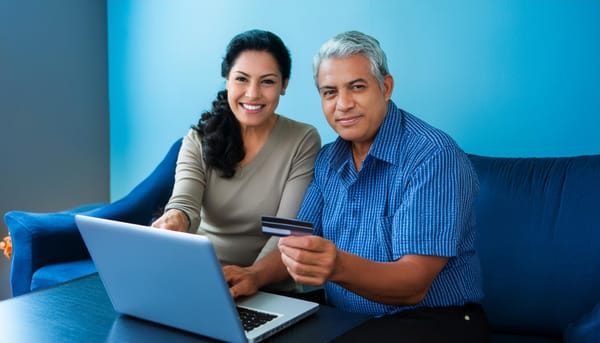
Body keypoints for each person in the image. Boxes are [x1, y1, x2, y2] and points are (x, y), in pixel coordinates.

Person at [227, 31, 490, 341]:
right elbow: (300, 237)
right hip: (349, 318)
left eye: (357, 87)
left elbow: (414, 284)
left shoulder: (432, 156)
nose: (343, 104)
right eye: (329, 92)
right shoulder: (328, 159)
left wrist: (337, 266)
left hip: (436, 318)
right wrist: (253, 275)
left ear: (386, 87)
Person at [152, 30, 321, 281]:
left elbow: (285, 231)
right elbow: (185, 205)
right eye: (242, 79)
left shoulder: (302, 140)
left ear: (284, 85)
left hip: (267, 281)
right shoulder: (198, 139)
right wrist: (175, 219)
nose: (253, 94)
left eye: (267, 81)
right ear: (227, 80)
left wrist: (253, 276)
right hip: (202, 276)